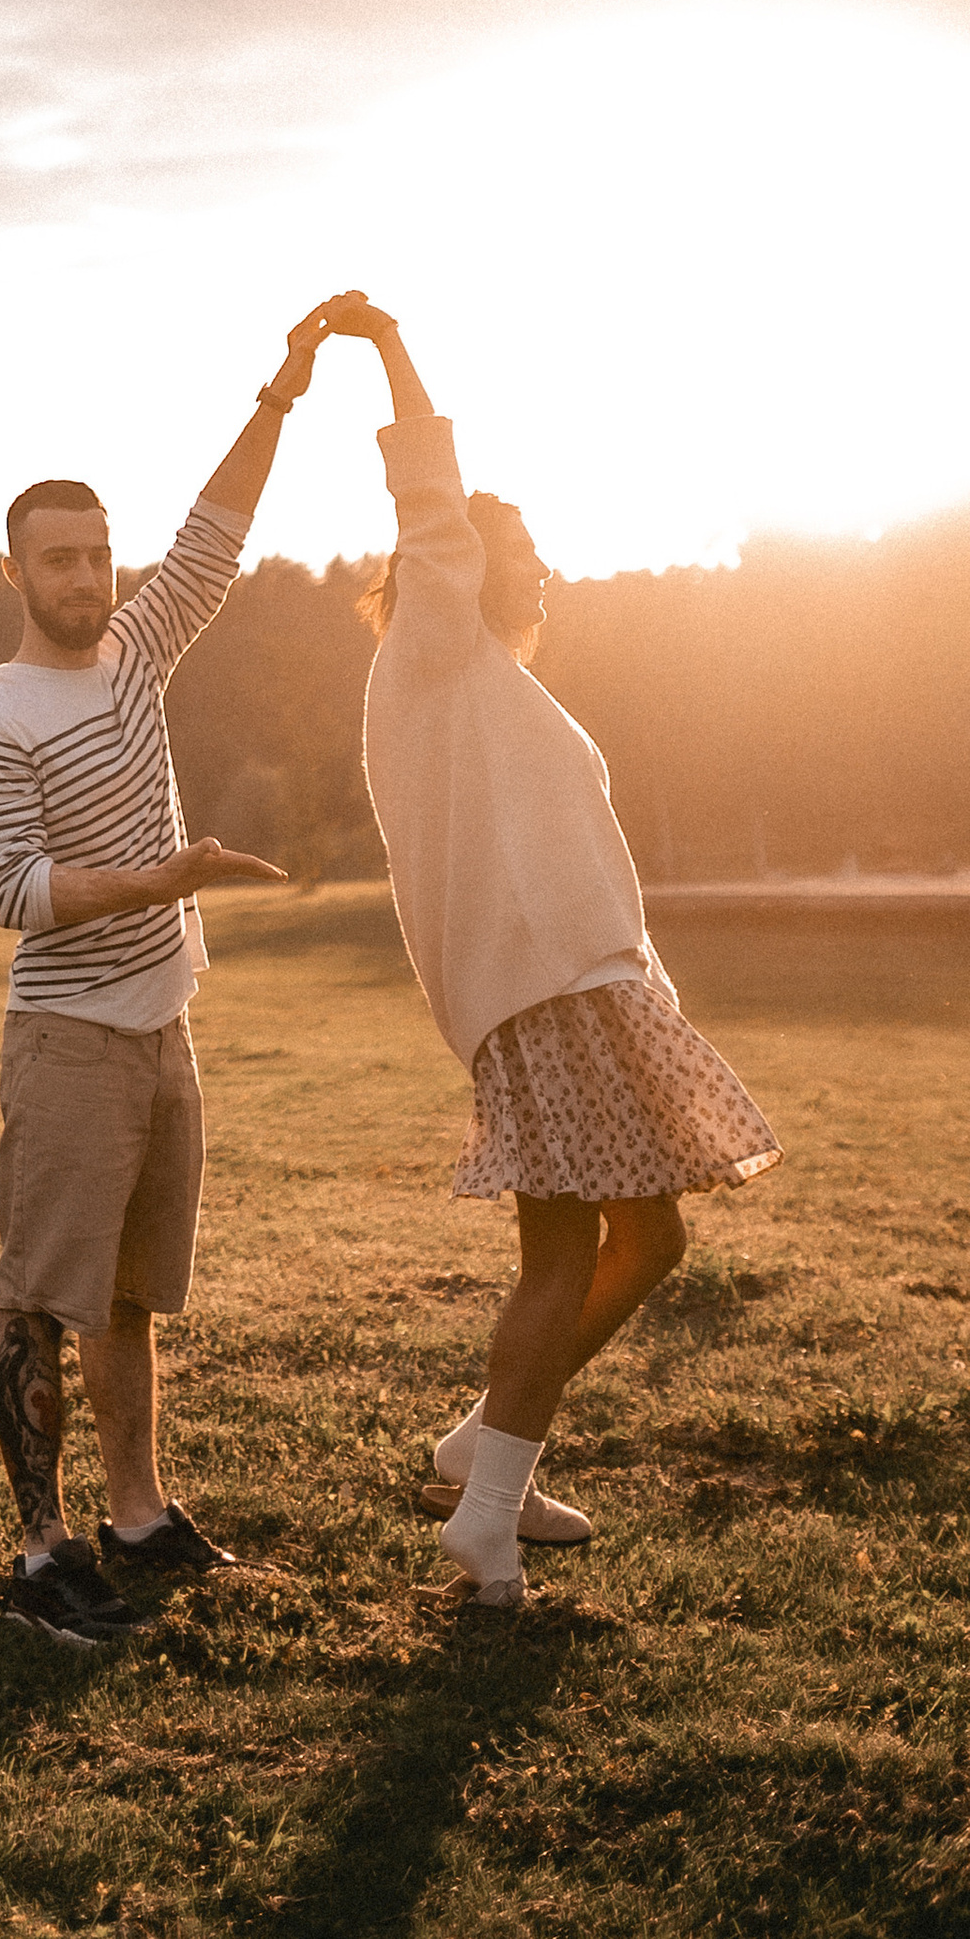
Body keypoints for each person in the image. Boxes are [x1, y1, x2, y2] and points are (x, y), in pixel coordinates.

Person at [324, 292, 780, 1610]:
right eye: (508, 548)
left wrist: (644, 988)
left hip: (590, 988)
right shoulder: (434, 652)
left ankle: (488, 1452)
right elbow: (430, 503)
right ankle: (486, 1515)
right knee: (567, 1253)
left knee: (651, 1235)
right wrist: (393, 352)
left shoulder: (492, 684)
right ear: (452, 568)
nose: (534, 568)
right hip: (542, 997)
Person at [0, 301, 346, 1648]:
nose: (87, 575)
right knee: (39, 1298)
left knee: (127, 1296)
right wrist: (165, 879)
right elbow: (15, 893)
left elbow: (214, 538)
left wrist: (280, 395)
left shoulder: (134, 653)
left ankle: (137, 1515)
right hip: (69, 1040)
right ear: (14, 570)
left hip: (163, 1028)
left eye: (98, 552)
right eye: (60, 558)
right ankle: (40, 1552)